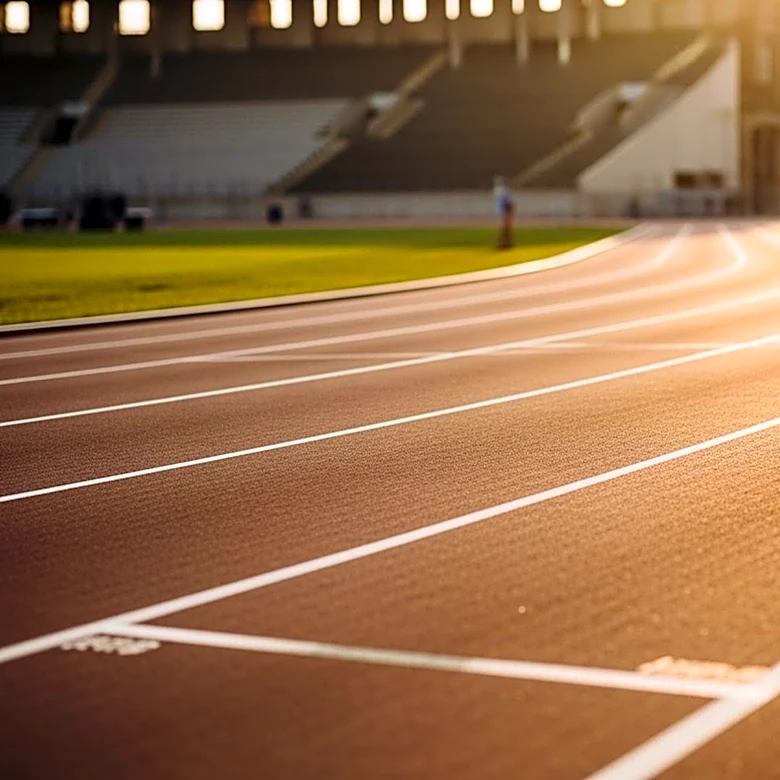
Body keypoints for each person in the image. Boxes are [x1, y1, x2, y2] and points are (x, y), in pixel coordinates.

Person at [493, 176, 515, 250]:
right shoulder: (503, 192)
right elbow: (509, 203)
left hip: (503, 212)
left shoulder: (502, 192)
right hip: (504, 212)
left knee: (504, 229)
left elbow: (509, 203)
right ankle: (505, 244)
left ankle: (505, 244)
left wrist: (508, 213)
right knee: (505, 229)